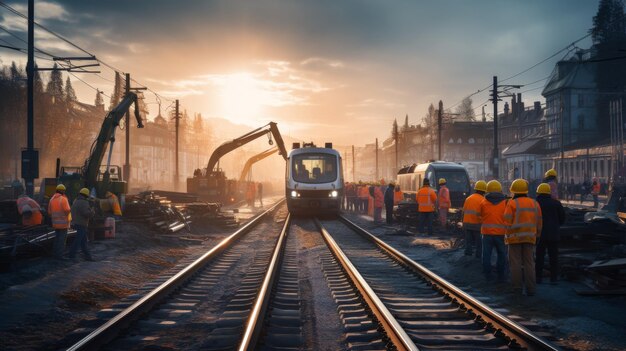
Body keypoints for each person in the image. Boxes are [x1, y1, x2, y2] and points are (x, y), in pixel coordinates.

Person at [504, 179, 542, 296]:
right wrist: (537, 236)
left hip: (514, 238)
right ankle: (531, 289)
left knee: (515, 263)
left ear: (513, 191)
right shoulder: (535, 203)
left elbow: (506, 221)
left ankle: (517, 288)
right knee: (529, 263)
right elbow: (539, 222)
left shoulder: (511, 203)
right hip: (530, 238)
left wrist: (507, 236)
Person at [535, 183, 565, 284]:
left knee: (539, 257)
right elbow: (562, 218)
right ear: (549, 192)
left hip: (540, 235)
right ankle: (554, 279)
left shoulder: (535, 203)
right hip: (553, 234)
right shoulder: (556, 203)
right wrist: (556, 225)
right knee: (554, 258)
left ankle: (538, 278)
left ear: (538, 192)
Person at [479, 180, 508, 282]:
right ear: (500, 190)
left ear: (488, 190)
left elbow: (480, 216)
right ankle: (501, 275)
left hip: (486, 233)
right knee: (501, 254)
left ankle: (488, 275)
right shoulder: (505, 203)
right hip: (501, 234)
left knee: (486, 254)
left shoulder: (483, 202)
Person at [69, 188, 95, 262]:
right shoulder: (84, 202)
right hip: (81, 224)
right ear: (86, 195)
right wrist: (92, 210)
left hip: (76, 223)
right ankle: (72, 256)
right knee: (77, 241)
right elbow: (86, 214)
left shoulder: (76, 201)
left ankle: (87, 256)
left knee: (83, 242)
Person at [462, 180, 486, 258]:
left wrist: (463, 222)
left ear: (475, 189)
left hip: (467, 224)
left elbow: (463, 212)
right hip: (477, 225)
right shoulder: (483, 200)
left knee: (468, 241)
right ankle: (478, 256)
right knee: (479, 243)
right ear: (484, 191)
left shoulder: (468, 198)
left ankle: (467, 255)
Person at [48, 184, 71, 260]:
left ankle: (54, 254)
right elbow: (67, 210)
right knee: (62, 241)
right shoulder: (63, 199)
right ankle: (60, 256)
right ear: (62, 191)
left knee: (56, 239)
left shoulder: (51, 199)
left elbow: (49, 212)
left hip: (55, 223)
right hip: (63, 224)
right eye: (64, 191)